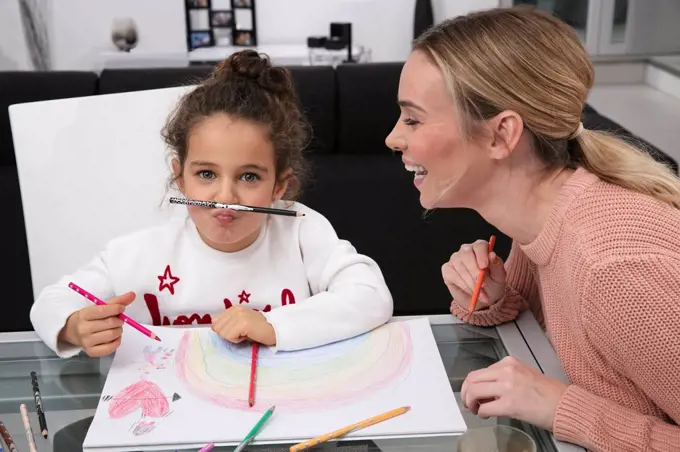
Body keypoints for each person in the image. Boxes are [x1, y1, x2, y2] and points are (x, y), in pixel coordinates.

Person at [386, 6, 680, 452]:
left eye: (413, 119)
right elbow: (558, 334)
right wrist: (494, 300)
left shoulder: (615, 269)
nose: (393, 138)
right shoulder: (542, 215)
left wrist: (564, 409)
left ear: (501, 135)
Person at [30, 50, 393, 359]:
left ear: (279, 185)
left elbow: (371, 297)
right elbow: (51, 301)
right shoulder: (137, 253)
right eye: (206, 174)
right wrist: (73, 327)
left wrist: (273, 325)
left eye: (249, 177)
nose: (225, 197)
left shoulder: (300, 230)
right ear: (180, 176)